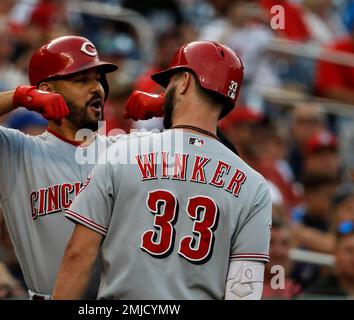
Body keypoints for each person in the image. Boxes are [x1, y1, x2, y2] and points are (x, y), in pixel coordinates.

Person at [53, 41, 272, 300]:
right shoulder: (254, 185)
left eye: (169, 82)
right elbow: (243, 291)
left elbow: (79, 255)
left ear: (185, 83)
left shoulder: (123, 152)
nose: (164, 90)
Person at [0, 35, 120, 299]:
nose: (97, 88)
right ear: (46, 90)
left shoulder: (124, 150)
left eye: (98, 79)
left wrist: (166, 106)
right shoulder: (17, 153)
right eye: (81, 80)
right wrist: (20, 96)